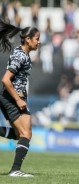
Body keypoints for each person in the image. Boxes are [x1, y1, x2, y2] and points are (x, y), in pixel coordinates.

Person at [0, 19, 40, 177]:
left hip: (12, 97)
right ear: (28, 39)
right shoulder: (20, 56)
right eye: (37, 38)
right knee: (26, 133)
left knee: (20, 134)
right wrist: (18, 99)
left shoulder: (22, 53)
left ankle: (15, 170)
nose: (39, 42)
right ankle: (15, 170)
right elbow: (6, 79)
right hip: (11, 98)